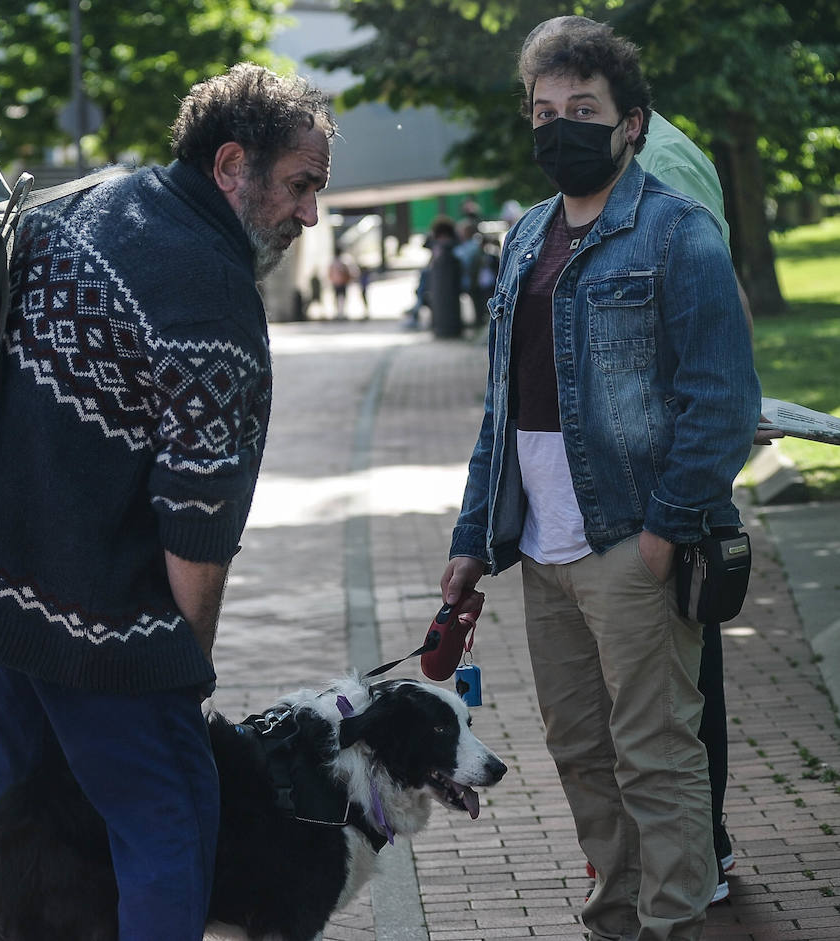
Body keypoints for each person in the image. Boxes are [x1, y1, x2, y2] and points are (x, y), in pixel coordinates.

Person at [0, 62, 334, 940]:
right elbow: (197, 522)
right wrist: (185, 670)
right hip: (95, 617)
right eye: (300, 185)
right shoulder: (213, 295)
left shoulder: (94, 200)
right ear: (230, 166)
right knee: (170, 823)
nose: (310, 213)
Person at [440, 19, 759, 941]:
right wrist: (473, 538)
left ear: (632, 123)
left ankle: (673, 923)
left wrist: (664, 533)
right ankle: (615, 919)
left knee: (656, 755)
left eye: (583, 110)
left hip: (634, 543)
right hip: (542, 547)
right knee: (580, 752)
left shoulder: (676, 232)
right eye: (544, 112)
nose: (560, 128)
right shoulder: (526, 236)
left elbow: (723, 401)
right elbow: (502, 411)